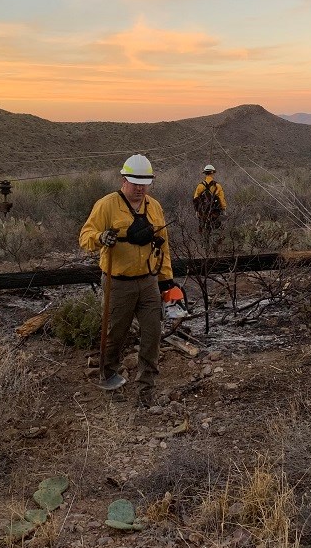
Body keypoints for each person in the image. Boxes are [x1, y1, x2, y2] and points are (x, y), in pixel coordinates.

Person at [79, 154, 175, 407]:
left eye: (144, 183)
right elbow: (85, 236)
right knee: (115, 334)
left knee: (152, 333)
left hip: (148, 281)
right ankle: (108, 372)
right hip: (118, 282)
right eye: (135, 183)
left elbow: (164, 245)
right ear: (123, 180)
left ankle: (146, 388)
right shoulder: (107, 205)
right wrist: (101, 237)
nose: (140, 188)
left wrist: (166, 279)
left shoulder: (154, 206)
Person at [193, 164, 227, 233]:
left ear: (205, 173)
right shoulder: (217, 186)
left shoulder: (200, 186)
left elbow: (195, 199)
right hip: (215, 214)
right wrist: (223, 209)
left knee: (204, 233)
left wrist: (197, 211)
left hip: (203, 214)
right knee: (216, 232)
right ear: (213, 173)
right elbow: (221, 199)